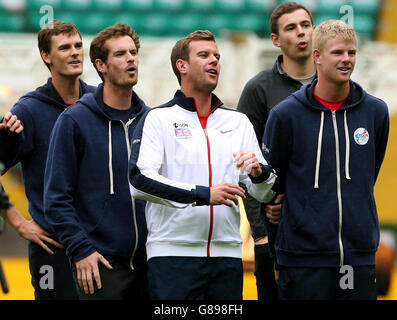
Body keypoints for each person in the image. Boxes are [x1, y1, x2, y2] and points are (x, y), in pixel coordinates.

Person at [129, 30, 278, 300]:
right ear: (182, 66)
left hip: (227, 257)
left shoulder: (238, 122)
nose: (214, 61)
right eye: (204, 55)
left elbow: (264, 193)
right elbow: (139, 181)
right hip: (172, 256)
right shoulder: (158, 119)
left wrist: (258, 172)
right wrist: (203, 194)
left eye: (217, 56)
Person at [263, 19, 389, 300]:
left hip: (359, 258)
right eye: (338, 53)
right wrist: (278, 252)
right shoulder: (285, 116)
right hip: (302, 260)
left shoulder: (376, 112)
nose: (347, 59)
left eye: (352, 52)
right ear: (317, 56)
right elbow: (271, 189)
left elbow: (368, 175)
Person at [44, 23, 149, 300]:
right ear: (101, 65)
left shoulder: (153, 121)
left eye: (133, 52)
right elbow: (56, 198)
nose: (131, 59)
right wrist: (81, 249)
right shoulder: (74, 121)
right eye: (120, 54)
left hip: (152, 265)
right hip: (100, 265)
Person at [0, 20, 95, 300]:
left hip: (100, 245)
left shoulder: (99, 101)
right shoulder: (27, 111)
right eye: (64, 48)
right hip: (52, 249)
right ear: (46, 56)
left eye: (78, 45)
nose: (75, 52)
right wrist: (19, 223)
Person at [237, 1, 316, 300]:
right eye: (291, 28)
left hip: (324, 237)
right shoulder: (259, 89)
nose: (301, 33)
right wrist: (259, 235)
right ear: (275, 40)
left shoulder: (336, 85)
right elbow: (246, 167)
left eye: (305, 25)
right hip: (274, 236)